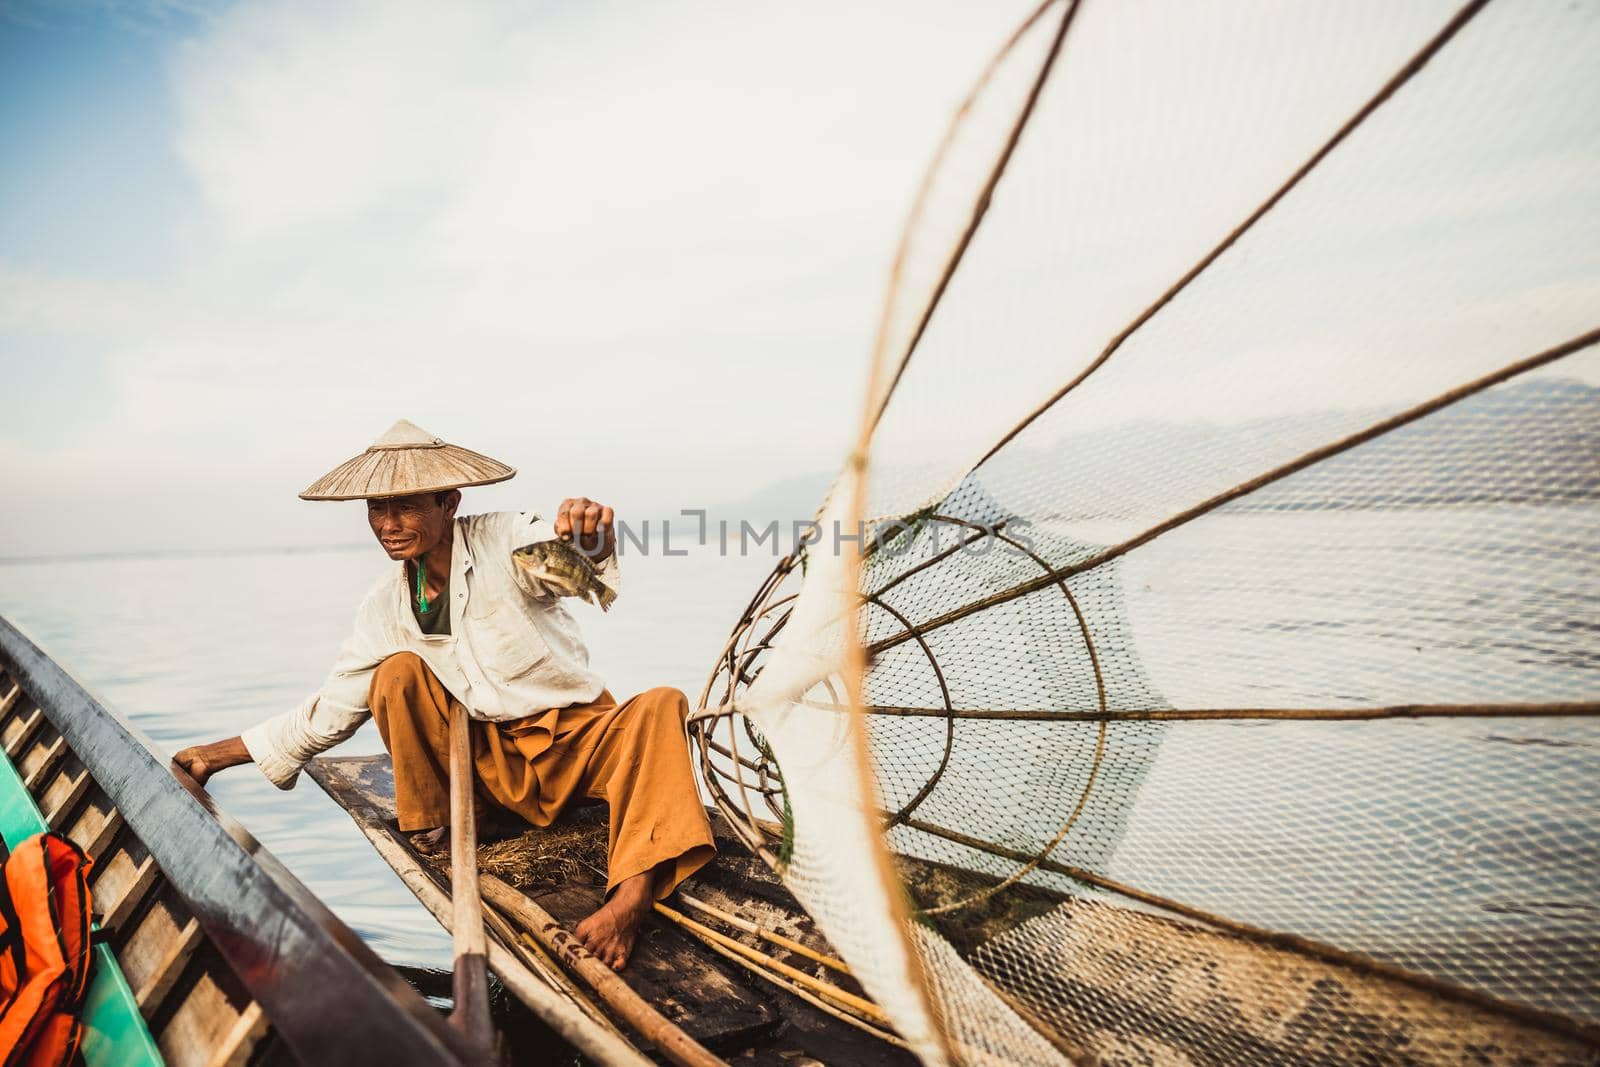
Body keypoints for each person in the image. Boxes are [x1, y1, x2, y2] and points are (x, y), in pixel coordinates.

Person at [173, 419, 714, 970]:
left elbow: (570, 568)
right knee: (397, 674)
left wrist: (591, 542)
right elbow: (330, 712)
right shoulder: (385, 605)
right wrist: (213, 757)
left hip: (575, 743)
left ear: (449, 502)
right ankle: (450, 819)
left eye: (405, 507)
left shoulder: (507, 537)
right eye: (376, 511)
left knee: (662, 703)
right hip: (491, 768)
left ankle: (629, 899)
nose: (388, 525)